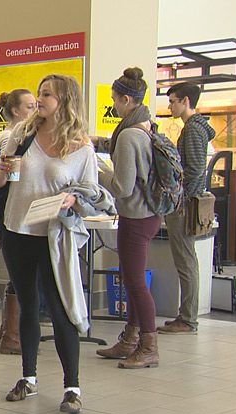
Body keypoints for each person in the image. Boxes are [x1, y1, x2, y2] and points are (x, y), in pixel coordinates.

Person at [0, 74, 99, 414]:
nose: (41, 99)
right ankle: (29, 377)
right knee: (27, 304)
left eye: (48, 94)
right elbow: (2, 180)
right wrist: (2, 172)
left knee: (60, 307)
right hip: (17, 230)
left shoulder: (82, 147)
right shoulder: (22, 134)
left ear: (65, 101)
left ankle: (72, 387)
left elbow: (90, 193)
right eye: (39, 93)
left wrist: (72, 199)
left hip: (55, 237)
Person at [92, 67, 162, 368]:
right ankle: (131, 339)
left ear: (126, 99)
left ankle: (148, 345)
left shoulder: (130, 135)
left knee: (134, 282)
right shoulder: (144, 126)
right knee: (133, 280)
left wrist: (96, 169)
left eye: (114, 100)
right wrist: (96, 143)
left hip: (136, 216)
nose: (113, 106)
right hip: (147, 214)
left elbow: (121, 186)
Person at [157, 82, 215, 335]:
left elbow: (192, 171)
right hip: (188, 202)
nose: (170, 106)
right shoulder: (196, 129)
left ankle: (188, 318)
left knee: (186, 260)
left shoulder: (192, 130)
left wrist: (178, 200)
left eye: (173, 101)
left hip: (184, 205)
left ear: (186, 101)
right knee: (187, 259)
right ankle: (187, 315)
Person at [0, 89, 37, 355]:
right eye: (29, 106)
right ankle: (11, 334)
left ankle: (9, 330)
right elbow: (10, 177)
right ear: (17, 111)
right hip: (11, 209)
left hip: (16, 208)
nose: (34, 110)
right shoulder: (11, 137)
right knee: (17, 270)